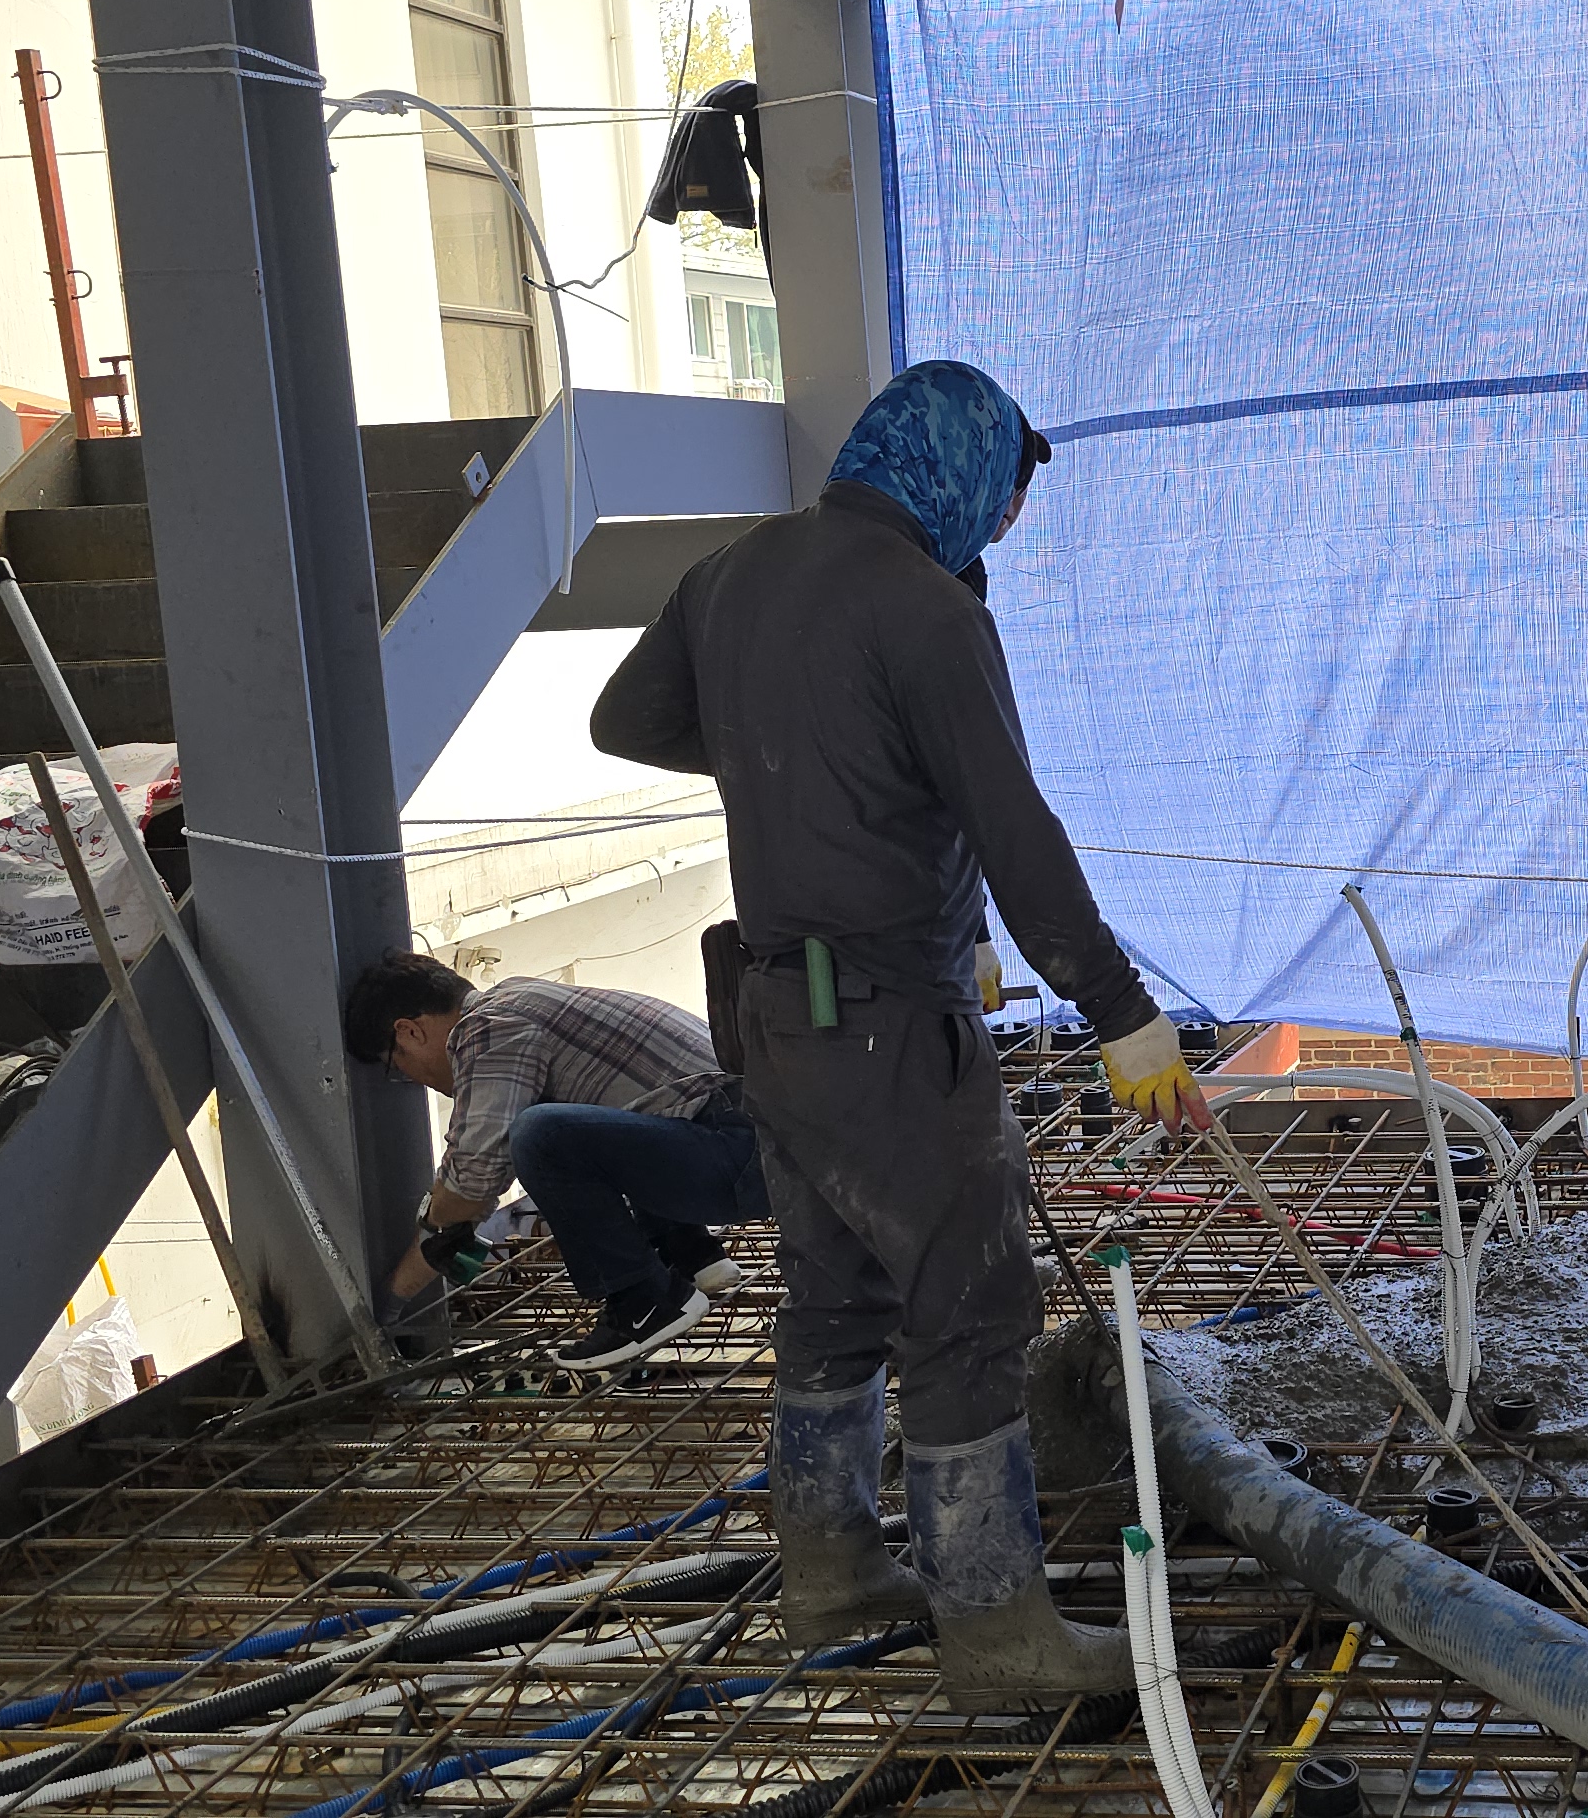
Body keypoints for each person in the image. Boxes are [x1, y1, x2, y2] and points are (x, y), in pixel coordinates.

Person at [588, 359, 1216, 1703]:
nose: (1004, 529)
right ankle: (996, 1634)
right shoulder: (924, 608)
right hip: (885, 1030)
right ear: (960, 472)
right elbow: (1017, 832)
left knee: (835, 1297)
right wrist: (1123, 1015)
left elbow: (625, 718)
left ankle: (826, 1576)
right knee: (968, 1311)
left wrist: (801, 741)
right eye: (1005, 502)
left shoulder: (733, 574)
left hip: (775, 1018)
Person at [343, 954, 753, 1370]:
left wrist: (401, 1280)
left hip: (735, 1149)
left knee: (541, 1134)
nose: (415, 1081)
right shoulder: (520, 997)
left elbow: (474, 1179)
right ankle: (692, 1254)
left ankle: (643, 1303)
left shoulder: (487, 1028)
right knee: (600, 1122)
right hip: (756, 1141)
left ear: (409, 1031)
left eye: (399, 1066)